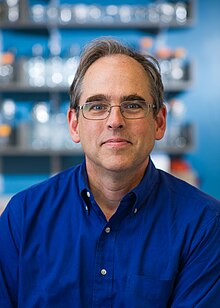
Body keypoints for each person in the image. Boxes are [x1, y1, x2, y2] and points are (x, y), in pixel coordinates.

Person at [0, 37, 220, 307]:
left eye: (133, 105)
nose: (115, 121)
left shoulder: (205, 224)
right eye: (97, 106)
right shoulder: (23, 216)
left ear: (159, 122)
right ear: (74, 125)